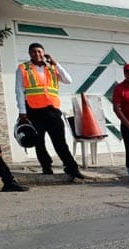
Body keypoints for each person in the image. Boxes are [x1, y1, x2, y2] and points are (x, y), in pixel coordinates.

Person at [15, 42, 85, 179]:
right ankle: (46, 166)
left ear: (44, 52)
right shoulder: (23, 68)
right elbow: (19, 90)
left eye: (39, 51)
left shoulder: (52, 67)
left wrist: (56, 63)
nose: (37, 54)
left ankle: (71, 167)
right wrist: (22, 111)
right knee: (39, 142)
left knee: (60, 141)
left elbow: (68, 80)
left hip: (52, 110)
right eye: (34, 52)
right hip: (33, 110)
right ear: (30, 54)